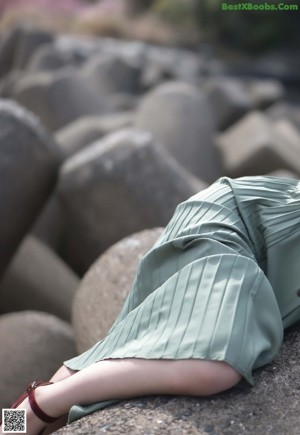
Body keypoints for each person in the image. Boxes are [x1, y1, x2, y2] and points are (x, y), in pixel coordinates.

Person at [1, 175, 300, 435]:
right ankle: (39, 403)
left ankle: (12, 418)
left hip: (244, 235)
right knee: (215, 365)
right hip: (232, 223)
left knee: (112, 350)